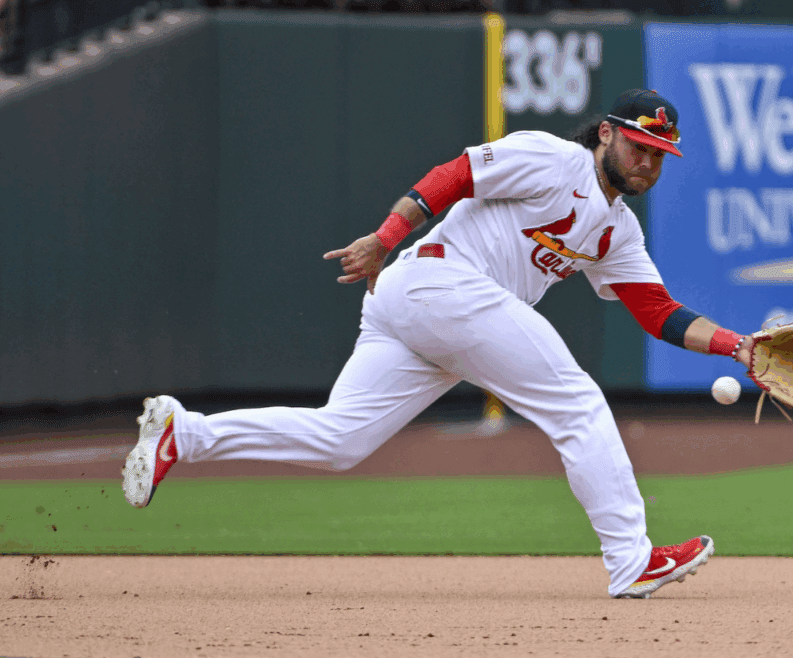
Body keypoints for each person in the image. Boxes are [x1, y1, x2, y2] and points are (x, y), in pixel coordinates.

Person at [122, 89, 755, 599]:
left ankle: (188, 434)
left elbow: (660, 313)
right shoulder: (554, 159)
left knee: (341, 439)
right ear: (608, 134)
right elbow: (454, 175)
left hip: (429, 309)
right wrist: (385, 233)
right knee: (577, 404)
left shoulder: (618, 232)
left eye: (659, 154)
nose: (647, 161)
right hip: (440, 282)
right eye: (640, 144)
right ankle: (631, 559)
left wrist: (739, 347)